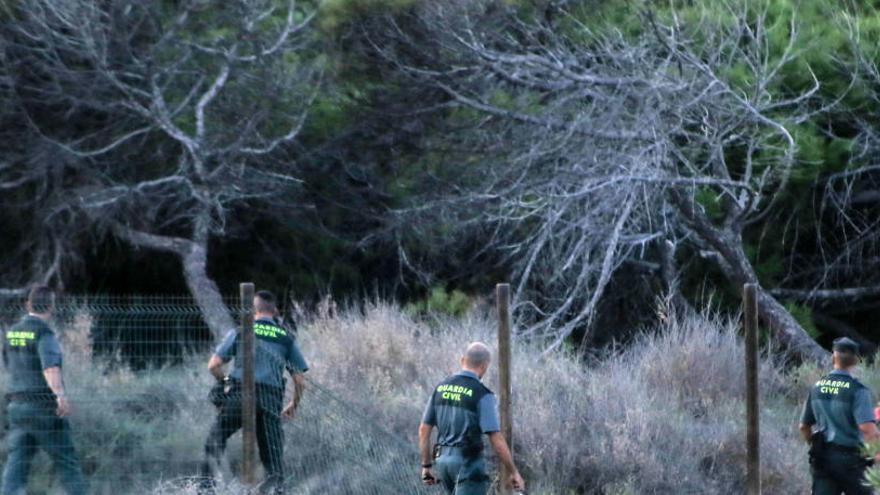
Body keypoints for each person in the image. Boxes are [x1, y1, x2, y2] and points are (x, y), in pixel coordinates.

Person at [199, 290, 307, 494]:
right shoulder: (286, 338)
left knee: (216, 438)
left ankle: (206, 489)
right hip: (271, 398)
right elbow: (300, 380)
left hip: (241, 394)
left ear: (253, 310)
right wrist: (294, 404)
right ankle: (275, 491)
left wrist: (227, 381)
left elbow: (213, 365)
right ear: (275, 310)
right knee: (272, 456)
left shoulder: (242, 331)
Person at [1, 285, 88, 495]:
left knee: (17, 462)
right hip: (43, 407)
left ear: (28, 305)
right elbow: (50, 367)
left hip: (17, 407)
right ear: (50, 307)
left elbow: (7, 363)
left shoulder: (12, 333)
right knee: (67, 461)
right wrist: (60, 396)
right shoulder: (44, 333)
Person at [419, 342, 525, 495]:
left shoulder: (441, 388)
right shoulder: (482, 393)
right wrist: (513, 471)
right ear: (484, 365)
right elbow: (495, 438)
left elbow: (423, 430)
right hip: (467, 465)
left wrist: (426, 465)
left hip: (443, 463)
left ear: (462, 360)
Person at [799, 337, 880, 495]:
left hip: (824, 459)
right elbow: (867, 428)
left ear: (833, 357)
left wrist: (814, 444)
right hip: (852, 461)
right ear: (856, 361)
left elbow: (803, 426)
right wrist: (876, 454)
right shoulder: (858, 390)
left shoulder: (817, 387)